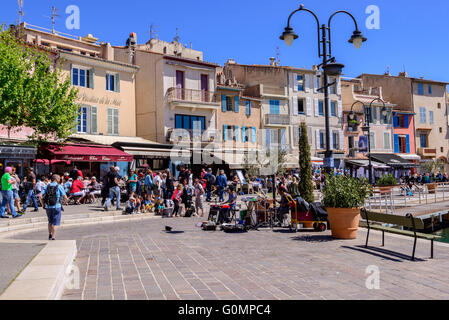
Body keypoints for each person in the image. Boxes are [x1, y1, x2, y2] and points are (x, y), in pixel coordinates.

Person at [40, 174, 68, 241]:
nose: (59, 180)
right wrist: (64, 202)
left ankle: (49, 234)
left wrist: (43, 204)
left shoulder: (47, 186)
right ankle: (53, 237)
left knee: (50, 221)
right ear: (56, 179)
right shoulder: (59, 186)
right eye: (59, 178)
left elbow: (40, 196)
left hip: (48, 206)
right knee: (55, 223)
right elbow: (65, 197)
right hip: (56, 206)